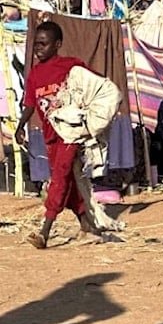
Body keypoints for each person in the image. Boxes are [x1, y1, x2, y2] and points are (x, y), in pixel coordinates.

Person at [14, 21, 100, 248]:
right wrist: (20, 126)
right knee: (67, 183)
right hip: (50, 136)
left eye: (44, 44)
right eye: (36, 44)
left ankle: (45, 231)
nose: (38, 49)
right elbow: (30, 105)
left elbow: (93, 86)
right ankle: (87, 227)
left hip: (70, 134)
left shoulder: (70, 66)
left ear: (57, 45)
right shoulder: (34, 74)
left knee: (60, 178)